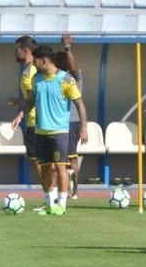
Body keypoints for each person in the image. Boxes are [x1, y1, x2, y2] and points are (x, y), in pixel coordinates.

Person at [24, 45, 88, 215]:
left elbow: (79, 104)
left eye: (35, 61)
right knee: (45, 168)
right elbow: (31, 100)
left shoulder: (65, 79)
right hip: (40, 132)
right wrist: (20, 115)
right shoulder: (36, 79)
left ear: (43, 61)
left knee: (60, 168)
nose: (33, 65)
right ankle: (50, 204)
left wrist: (84, 127)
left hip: (59, 132)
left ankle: (62, 205)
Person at [9, 35, 51, 211]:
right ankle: (52, 196)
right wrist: (21, 113)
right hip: (34, 120)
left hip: (36, 122)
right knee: (41, 162)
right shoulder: (29, 69)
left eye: (17, 49)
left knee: (38, 163)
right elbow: (30, 97)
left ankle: (50, 198)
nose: (15, 53)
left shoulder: (34, 70)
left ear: (26, 50)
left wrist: (20, 107)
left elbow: (35, 97)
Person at [54, 34, 86, 199]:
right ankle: (69, 187)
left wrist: (68, 48)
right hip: (60, 123)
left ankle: (69, 188)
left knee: (67, 156)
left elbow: (73, 67)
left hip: (69, 122)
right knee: (67, 156)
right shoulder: (54, 78)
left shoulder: (72, 77)